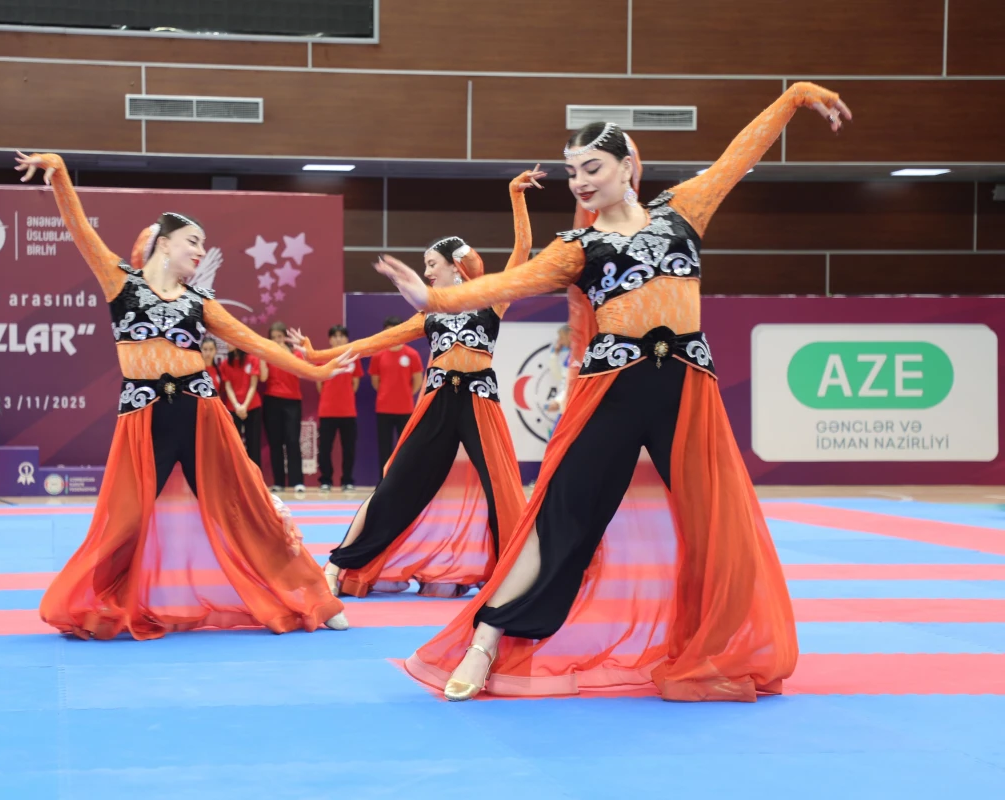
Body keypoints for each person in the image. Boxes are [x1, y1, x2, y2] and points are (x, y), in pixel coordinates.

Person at [375, 83, 851, 701]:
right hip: (613, 389)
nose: (578, 180)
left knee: (718, 523)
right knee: (559, 518)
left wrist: (794, 98)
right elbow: (507, 284)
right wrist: (432, 299)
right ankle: (485, 642)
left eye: (591, 167)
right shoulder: (577, 247)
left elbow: (739, 154)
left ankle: (717, 649)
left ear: (629, 167)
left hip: (686, 390)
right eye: (572, 171)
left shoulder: (685, 210)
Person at [15, 151, 355, 639]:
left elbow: (257, 343)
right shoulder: (120, 284)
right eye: (192, 242)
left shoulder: (201, 303)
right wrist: (60, 174)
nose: (200, 252)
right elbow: (79, 231)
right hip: (143, 415)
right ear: (163, 243)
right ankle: (101, 602)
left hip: (201, 413)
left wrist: (315, 372)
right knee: (126, 518)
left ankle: (314, 599)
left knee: (245, 510)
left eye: (203, 245)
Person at [293, 168, 542, 599]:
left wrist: (514, 196)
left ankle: (512, 578)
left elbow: (523, 250)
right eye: (425, 267)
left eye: (432, 265)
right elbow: (370, 344)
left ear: (455, 267)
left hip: (481, 400)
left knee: (502, 486)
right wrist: (316, 355)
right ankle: (337, 564)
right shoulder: (426, 315)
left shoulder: (492, 299)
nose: (426, 273)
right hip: (439, 401)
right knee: (396, 485)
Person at [369, 316, 424, 475]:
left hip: (405, 409)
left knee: (405, 447)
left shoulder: (412, 354)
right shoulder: (378, 355)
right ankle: (383, 481)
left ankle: (403, 479)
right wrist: (387, 394)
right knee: (384, 447)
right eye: (389, 330)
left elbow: (418, 381)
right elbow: (375, 381)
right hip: (384, 408)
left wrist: (404, 394)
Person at [314, 324, 363, 492]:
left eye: (342, 336)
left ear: (347, 339)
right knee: (325, 448)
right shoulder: (323, 356)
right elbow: (319, 384)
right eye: (335, 336)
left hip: (348, 411)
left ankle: (347, 480)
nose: (338, 339)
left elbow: (355, 383)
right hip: (327, 411)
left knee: (349, 448)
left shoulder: (353, 358)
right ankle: (325, 480)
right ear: (330, 340)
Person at [263, 321, 306, 493]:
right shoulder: (268, 355)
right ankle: (279, 482)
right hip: (272, 400)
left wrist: (286, 352)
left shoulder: (295, 353)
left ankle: (297, 482)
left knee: (293, 441)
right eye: (273, 338)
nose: (277, 340)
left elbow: (301, 372)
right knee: (275, 443)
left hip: (292, 402)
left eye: (280, 337)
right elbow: (263, 378)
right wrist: (265, 355)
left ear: (285, 338)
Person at [221, 347, 265, 466]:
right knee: (234, 446)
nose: (228, 343)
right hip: (233, 408)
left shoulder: (252, 359)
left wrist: (244, 406)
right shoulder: (225, 364)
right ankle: (237, 480)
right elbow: (228, 387)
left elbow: (253, 385)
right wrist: (236, 405)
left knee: (254, 445)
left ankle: (255, 480)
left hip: (252, 407)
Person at [545, 324, 572, 433]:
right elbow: (559, 376)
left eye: (561, 337)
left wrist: (558, 401)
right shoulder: (571, 355)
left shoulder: (578, 355)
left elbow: (572, 384)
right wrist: (555, 354)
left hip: (569, 409)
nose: (559, 341)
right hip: (564, 407)